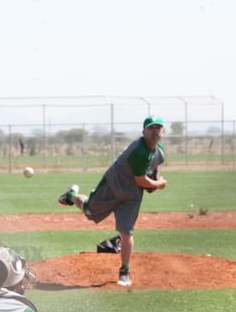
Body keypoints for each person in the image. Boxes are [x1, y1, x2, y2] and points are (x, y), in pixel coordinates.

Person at [57, 114, 168, 287]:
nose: (154, 131)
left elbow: (153, 167)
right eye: (151, 128)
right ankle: (71, 195)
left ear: (162, 132)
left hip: (131, 196)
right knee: (89, 211)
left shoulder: (159, 152)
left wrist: (155, 178)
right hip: (112, 186)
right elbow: (141, 180)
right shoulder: (139, 150)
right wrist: (158, 184)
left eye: (158, 128)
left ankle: (124, 270)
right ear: (143, 131)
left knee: (126, 232)